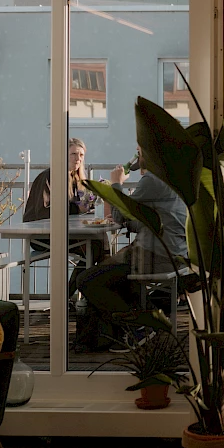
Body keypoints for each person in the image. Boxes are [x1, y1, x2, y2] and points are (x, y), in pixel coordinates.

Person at [73, 148, 188, 352]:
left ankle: (139, 327)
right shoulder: (173, 177)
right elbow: (152, 221)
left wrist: (116, 183)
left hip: (157, 257)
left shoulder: (153, 180)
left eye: (140, 150)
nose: (137, 155)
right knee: (109, 267)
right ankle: (142, 319)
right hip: (172, 253)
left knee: (87, 279)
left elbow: (118, 214)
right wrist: (129, 222)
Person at [22, 138, 104, 301]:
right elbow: (41, 212)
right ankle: (70, 296)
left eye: (81, 155)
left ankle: (86, 298)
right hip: (43, 235)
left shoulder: (77, 179)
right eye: (73, 154)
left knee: (99, 244)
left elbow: (78, 208)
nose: (78, 158)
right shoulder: (48, 177)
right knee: (96, 246)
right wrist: (76, 208)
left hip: (65, 233)